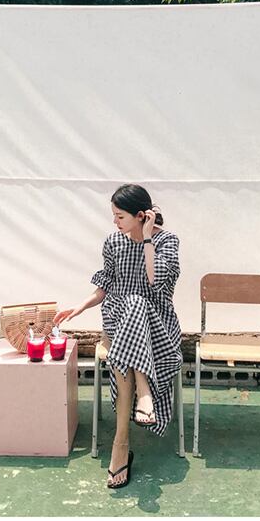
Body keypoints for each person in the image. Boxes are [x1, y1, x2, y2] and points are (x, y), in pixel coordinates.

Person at [53, 184, 182, 489]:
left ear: (141, 216)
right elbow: (106, 286)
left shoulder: (167, 241)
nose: (115, 222)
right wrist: (81, 306)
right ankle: (142, 394)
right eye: (113, 215)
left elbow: (155, 280)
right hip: (117, 318)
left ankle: (120, 445)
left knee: (137, 306)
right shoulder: (113, 242)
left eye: (120, 216)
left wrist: (147, 238)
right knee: (132, 306)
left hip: (158, 322)